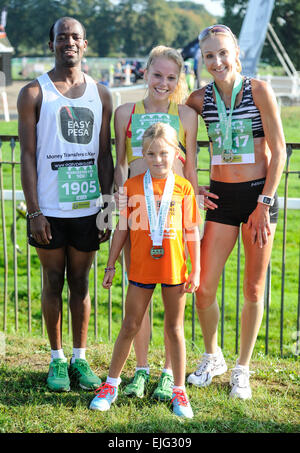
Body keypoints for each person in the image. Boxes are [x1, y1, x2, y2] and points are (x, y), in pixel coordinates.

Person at [185, 24, 286, 399]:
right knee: (203, 286)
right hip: (221, 199)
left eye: (223, 53)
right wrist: (194, 184)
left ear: (236, 53)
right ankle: (213, 356)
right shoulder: (199, 99)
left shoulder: (259, 90)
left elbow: (280, 151)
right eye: (209, 55)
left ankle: (242, 368)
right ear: (202, 60)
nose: (217, 61)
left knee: (253, 287)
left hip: (259, 198)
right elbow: (175, 128)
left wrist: (265, 202)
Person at [18, 17, 114, 392]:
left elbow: (105, 156)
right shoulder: (33, 93)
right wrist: (35, 211)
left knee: (81, 283)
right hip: (50, 212)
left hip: (89, 209)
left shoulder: (102, 94)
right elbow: (27, 156)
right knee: (53, 281)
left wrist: (106, 207)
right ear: (52, 44)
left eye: (75, 37)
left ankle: (80, 358)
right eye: (62, 37)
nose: (68, 42)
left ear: (85, 44)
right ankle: (57, 360)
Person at [90, 122, 200, 418]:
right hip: (140, 269)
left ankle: (179, 390)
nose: (157, 160)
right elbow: (122, 229)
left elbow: (191, 231)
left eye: (163, 153)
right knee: (130, 325)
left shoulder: (184, 187)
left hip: (175, 270)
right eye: (150, 154)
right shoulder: (132, 186)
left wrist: (197, 269)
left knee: (174, 330)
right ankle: (110, 385)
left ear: (176, 153)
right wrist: (111, 263)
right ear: (143, 155)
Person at [113, 45, 204, 402]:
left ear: (178, 80)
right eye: (157, 75)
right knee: (139, 299)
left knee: (173, 299)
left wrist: (194, 212)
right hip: (136, 217)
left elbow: (192, 167)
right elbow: (121, 165)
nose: (162, 83)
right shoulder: (124, 113)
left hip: (174, 219)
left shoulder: (185, 116)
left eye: (171, 77)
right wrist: (118, 201)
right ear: (145, 72)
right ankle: (139, 370)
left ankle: (169, 373)